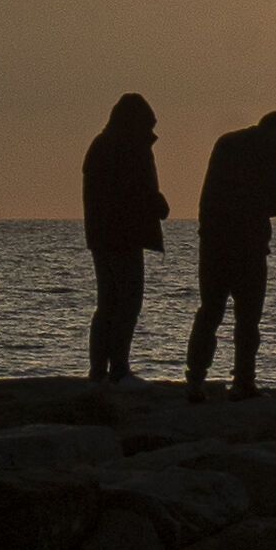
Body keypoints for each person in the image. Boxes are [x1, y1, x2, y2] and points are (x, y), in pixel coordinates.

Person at [186, 110, 276, 403]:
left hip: (215, 244)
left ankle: (195, 380)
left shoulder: (226, 144)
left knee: (211, 313)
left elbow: (208, 198)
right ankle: (242, 382)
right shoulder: (271, 154)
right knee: (246, 319)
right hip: (247, 247)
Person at [80, 92, 167, 385]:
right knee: (127, 301)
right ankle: (117, 369)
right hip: (122, 235)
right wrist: (155, 203)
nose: (151, 132)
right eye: (147, 125)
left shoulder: (103, 145)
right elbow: (132, 192)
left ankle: (100, 370)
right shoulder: (125, 148)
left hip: (103, 235)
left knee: (109, 302)